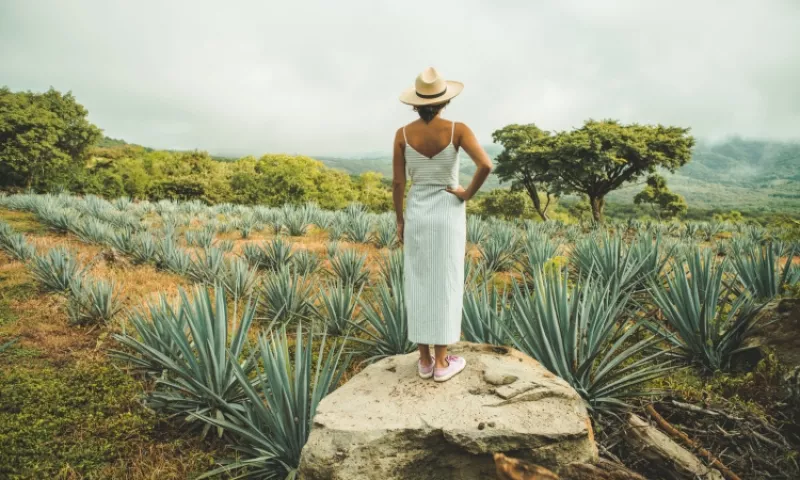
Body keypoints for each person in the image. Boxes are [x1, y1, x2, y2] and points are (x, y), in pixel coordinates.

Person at [393, 67, 493, 382]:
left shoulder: (403, 134)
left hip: (419, 214)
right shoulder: (457, 130)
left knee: (419, 281)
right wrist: (466, 194)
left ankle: (423, 360)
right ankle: (441, 363)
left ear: (415, 103)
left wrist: (400, 219)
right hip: (448, 213)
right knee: (446, 282)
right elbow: (486, 165)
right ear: (444, 101)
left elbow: (397, 183)